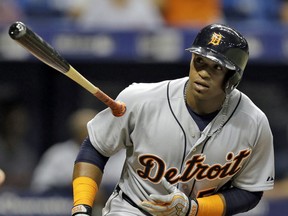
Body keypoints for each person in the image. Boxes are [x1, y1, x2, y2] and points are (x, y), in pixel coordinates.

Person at [71, 24, 275, 216]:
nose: (203, 73)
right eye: (199, 61)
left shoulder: (253, 123)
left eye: (217, 68)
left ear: (233, 77)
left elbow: (250, 191)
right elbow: (96, 147)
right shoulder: (141, 99)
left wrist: (194, 209)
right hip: (133, 208)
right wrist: (82, 207)